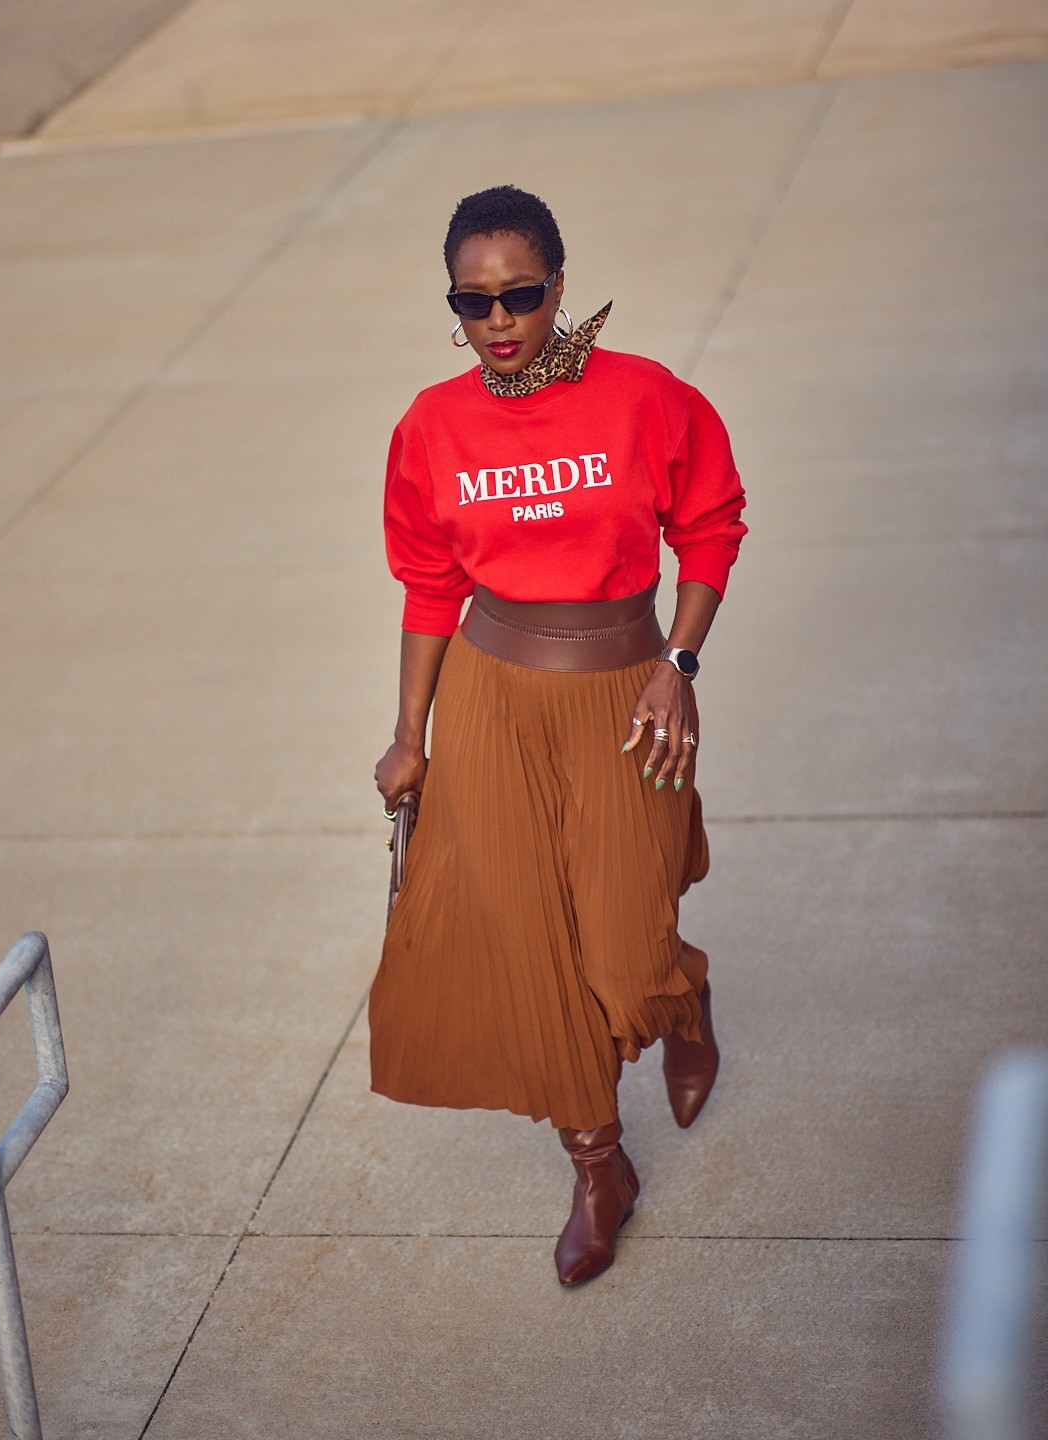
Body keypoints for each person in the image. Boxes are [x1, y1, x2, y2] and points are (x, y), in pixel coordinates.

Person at [371, 184, 747, 1286]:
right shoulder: (431, 425)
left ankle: (682, 994)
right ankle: (599, 1166)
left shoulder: (648, 399)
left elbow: (713, 526)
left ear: (559, 287)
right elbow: (431, 586)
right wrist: (409, 736)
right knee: (531, 954)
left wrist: (679, 668)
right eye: (473, 302)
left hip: (623, 688)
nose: (499, 322)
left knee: (625, 954)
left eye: (520, 296)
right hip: (491, 701)